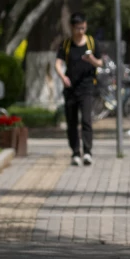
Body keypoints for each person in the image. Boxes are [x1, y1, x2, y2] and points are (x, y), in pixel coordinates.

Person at [55, 13, 104, 166]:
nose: (81, 31)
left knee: (86, 120)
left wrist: (92, 60)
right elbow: (57, 63)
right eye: (78, 28)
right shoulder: (66, 44)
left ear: (86, 26)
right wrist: (63, 77)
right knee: (72, 122)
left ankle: (87, 152)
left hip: (87, 87)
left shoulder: (92, 43)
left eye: (83, 28)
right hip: (70, 88)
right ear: (72, 27)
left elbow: (100, 63)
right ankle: (75, 152)